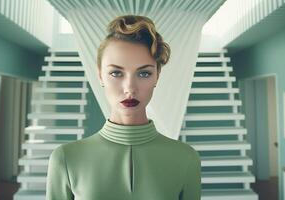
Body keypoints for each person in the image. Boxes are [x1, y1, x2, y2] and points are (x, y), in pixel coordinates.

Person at [46, 15, 201, 200]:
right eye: (116, 73)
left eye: (144, 73)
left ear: (157, 76)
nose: (130, 88)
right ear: (100, 75)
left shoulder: (186, 159)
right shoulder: (65, 158)